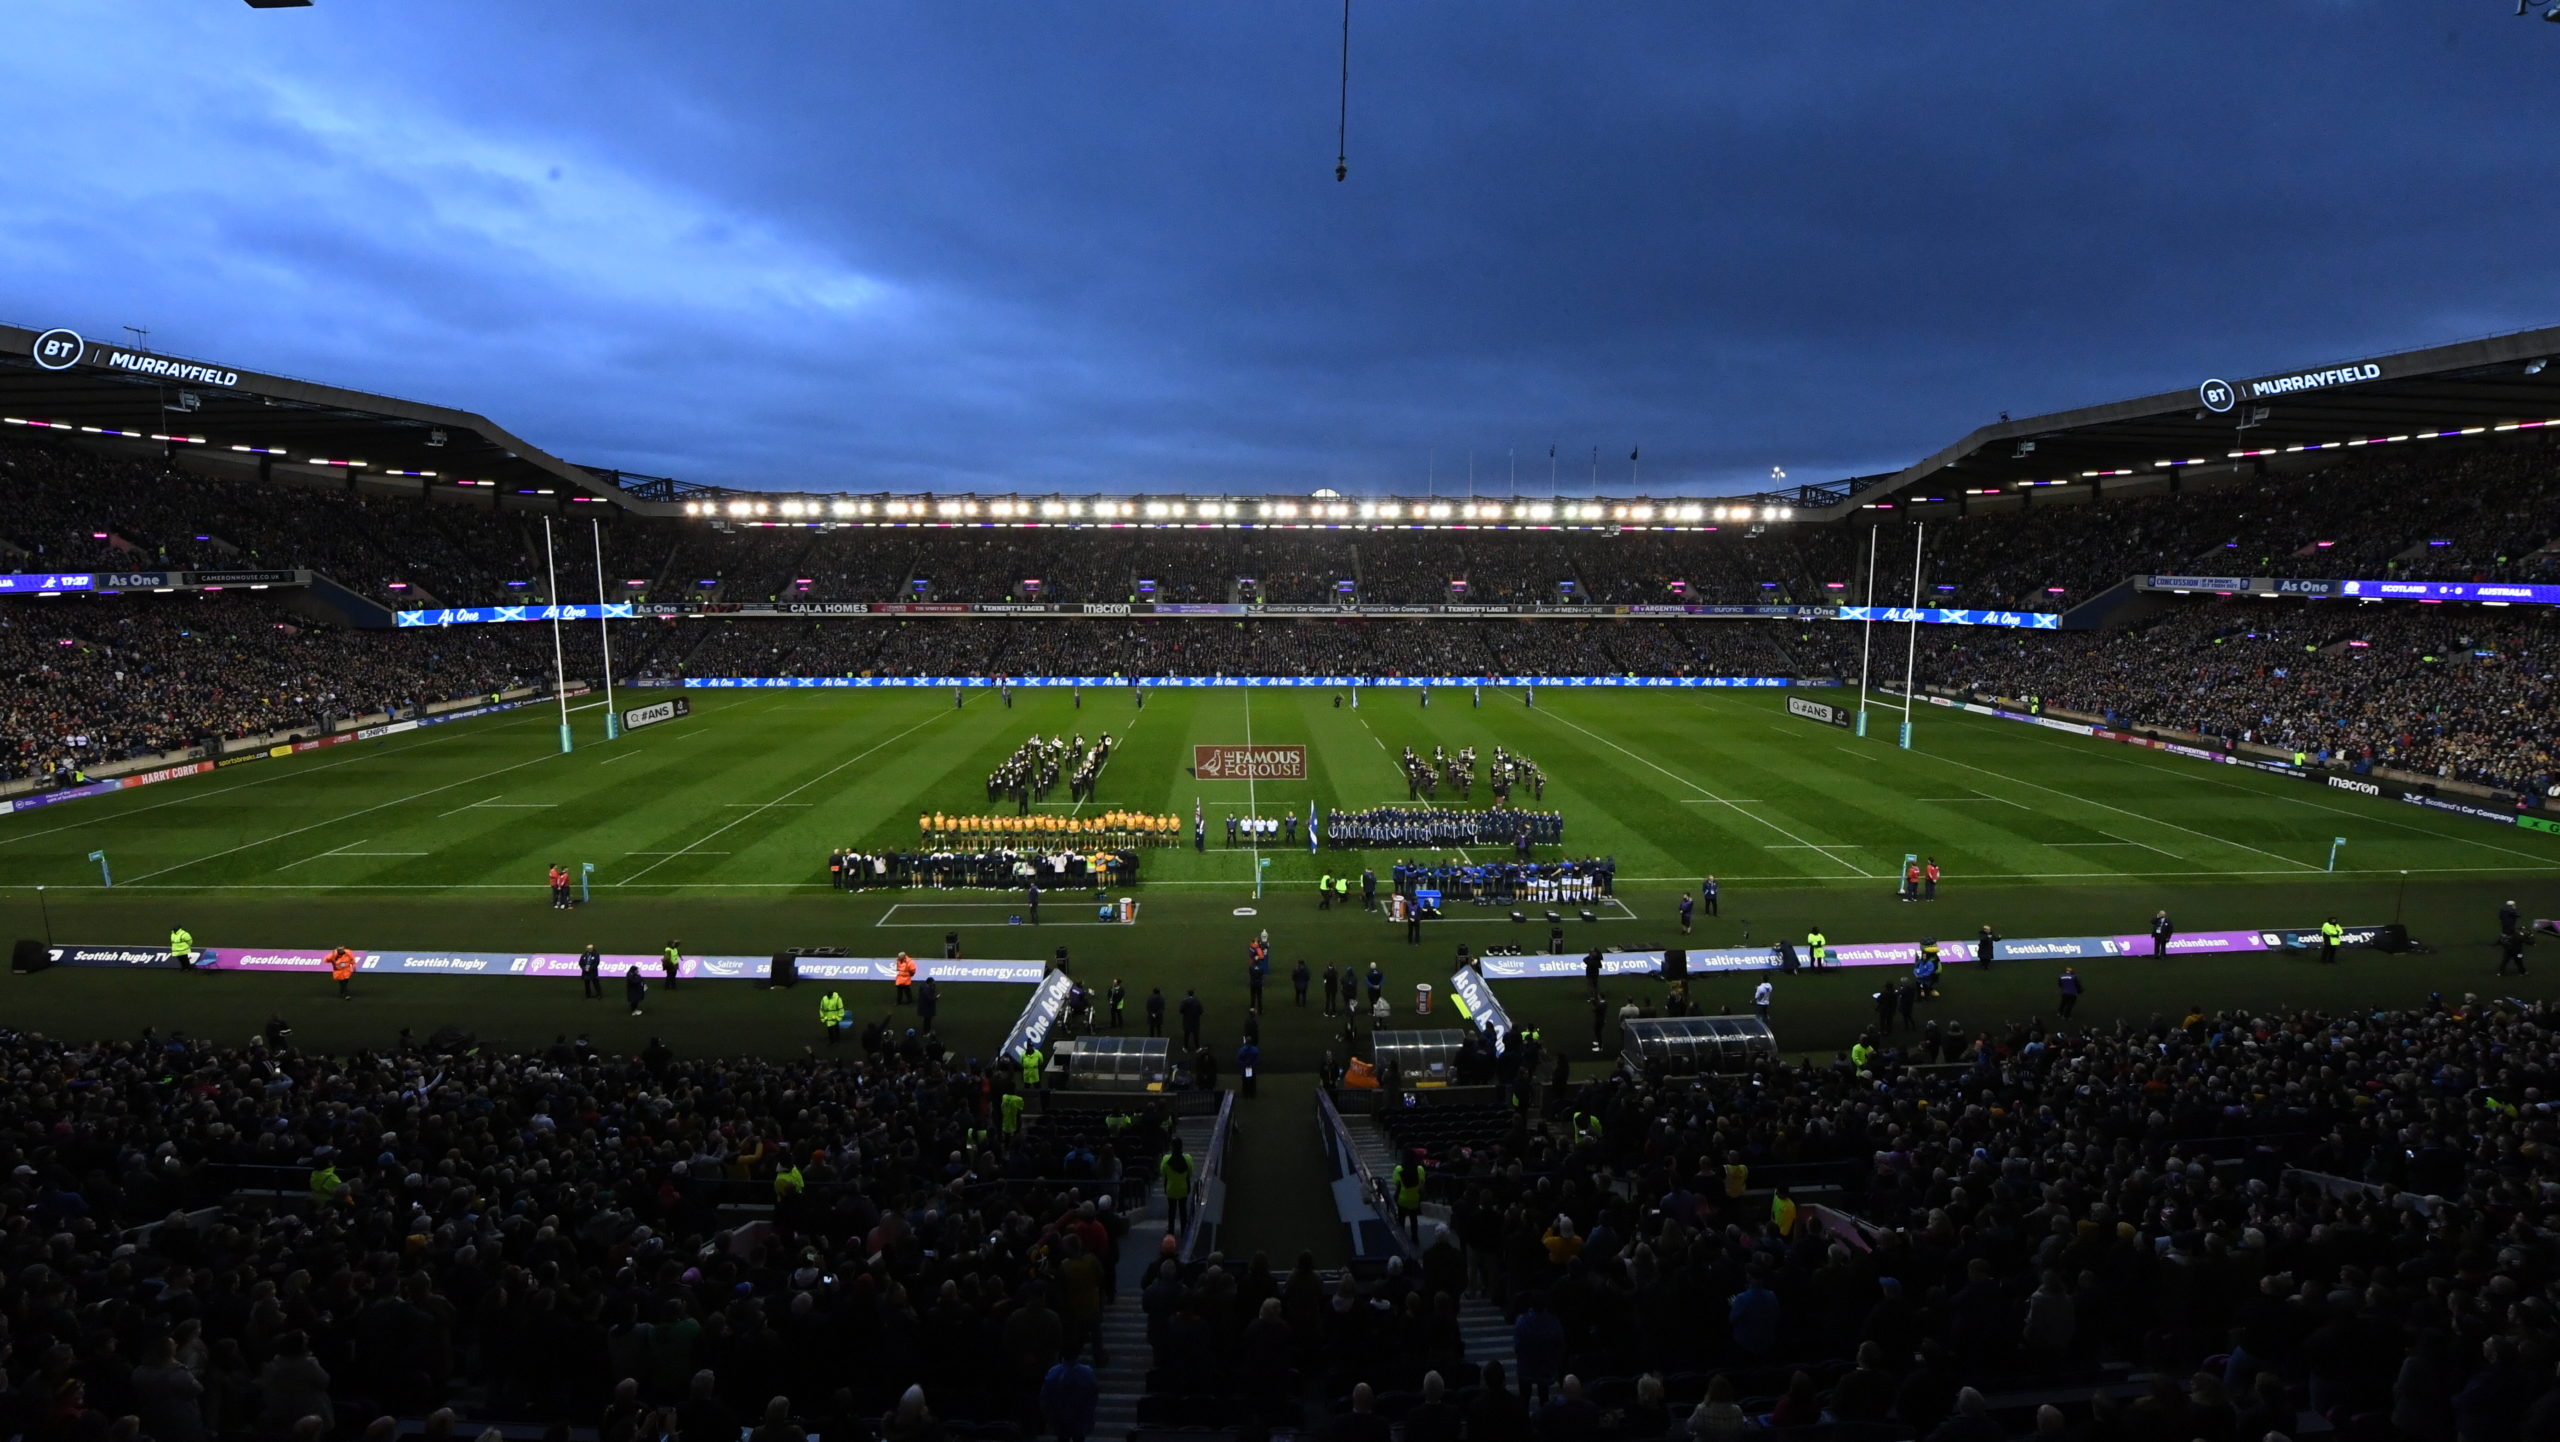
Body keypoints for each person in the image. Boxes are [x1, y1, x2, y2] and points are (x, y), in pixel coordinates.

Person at [1040, 1352, 1098, 1442]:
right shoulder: (1087, 1372)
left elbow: (1045, 1396)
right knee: (1078, 1436)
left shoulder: (1054, 1372)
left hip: (1060, 1415)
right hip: (1079, 1415)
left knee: (1064, 1437)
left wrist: (1050, 1415)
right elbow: (1093, 1395)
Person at [1392, 1149, 1427, 1237]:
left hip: (1402, 1199)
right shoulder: (1420, 1169)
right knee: (1414, 1219)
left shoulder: (1398, 1169)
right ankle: (1415, 1238)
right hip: (1414, 1199)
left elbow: (1396, 1183)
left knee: (1401, 1220)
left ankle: (1402, 1239)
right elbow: (1422, 1183)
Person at [1160, 1143, 1194, 1230]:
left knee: (1171, 1210)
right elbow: (1190, 1173)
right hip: (1184, 1188)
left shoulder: (1166, 1159)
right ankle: (1184, 1229)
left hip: (1170, 1188)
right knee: (1183, 1210)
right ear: (1181, 1147)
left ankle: (1171, 1230)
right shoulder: (1188, 1158)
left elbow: (1163, 1173)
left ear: (1172, 1147)